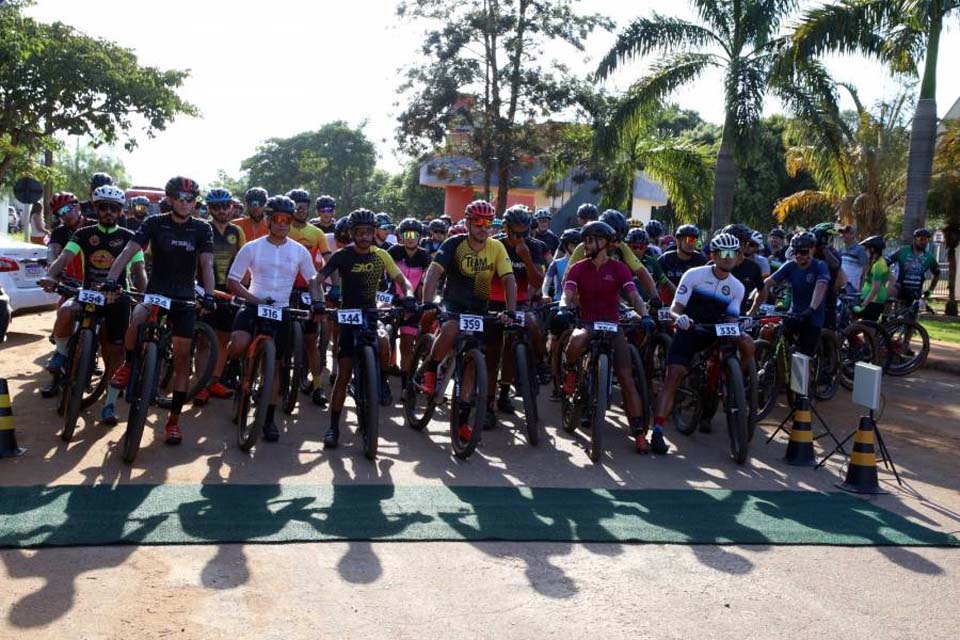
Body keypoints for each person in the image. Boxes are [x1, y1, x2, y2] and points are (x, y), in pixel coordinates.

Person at [105, 175, 216, 446]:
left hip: (184, 296)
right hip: (157, 291)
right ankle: (130, 365)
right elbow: (128, 252)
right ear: (169, 199)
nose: (185, 203)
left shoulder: (202, 228)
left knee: (181, 361)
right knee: (139, 316)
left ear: (195, 202)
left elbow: (207, 264)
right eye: (179, 197)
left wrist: (210, 295)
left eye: (190, 199)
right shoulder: (154, 222)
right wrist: (111, 278)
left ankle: (174, 421)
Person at [40, 185, 148, 425]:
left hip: (118, 299)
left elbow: (140, 271)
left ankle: (109, 404)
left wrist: (143, 295)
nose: (108, 212)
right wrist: (51, 275)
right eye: (102, 207)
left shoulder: (130, 239)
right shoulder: (83, 234)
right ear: (95, 209)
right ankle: (60, 353)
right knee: (66, 310)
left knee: (115, 353)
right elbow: (62, 259)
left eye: (113, 208)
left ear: (120, 211)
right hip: (87, 293)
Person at [226, 195, 325, 442]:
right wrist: (253, 299)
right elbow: (232, 280)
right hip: (254, 304)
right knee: (237, 344)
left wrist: (318, 302)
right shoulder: (252, 246)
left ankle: (268, 419)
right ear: (269, 220)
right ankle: (236, 374)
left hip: (281, 310)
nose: (283, 224)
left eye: (287, 220)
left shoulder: (299, 250)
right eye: (278, 219)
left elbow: (313, 281)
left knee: (278, 367)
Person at [419, 199, 517, 443]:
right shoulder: (454, 243)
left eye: (489, 223)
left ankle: (462, 422)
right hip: (454, 304)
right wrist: (428, 301)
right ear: (469, 223)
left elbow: (508, 280)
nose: (484, 228)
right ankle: (431, 369)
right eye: (479, 223)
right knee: (450, 328)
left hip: (478, 310)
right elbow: (433, 272)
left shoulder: (496, 248)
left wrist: (511, 311)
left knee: (473, 362)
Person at [318, 209, 415, 448]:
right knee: (343, 374)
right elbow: (315, 280)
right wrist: (318, 301)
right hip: (348, 315)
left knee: (383, 343)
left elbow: (402, 280)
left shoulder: (382, 255)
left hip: (371, 312)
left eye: (368, 232)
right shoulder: (342, 255)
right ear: (351, 233)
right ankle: (333, 427)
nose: (364, 237)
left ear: (374, 233)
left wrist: (410, 295)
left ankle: (379, 382)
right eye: (359, 233)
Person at [560, 221, 651, 451]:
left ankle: (639, 432)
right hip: (588, 323)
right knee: (577, 339)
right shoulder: (578, 267)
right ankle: (571, 372)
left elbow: (634, 297)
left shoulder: (620, 268)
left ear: (604, 243)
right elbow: (567, 294)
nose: (585, 245)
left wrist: (645, 315)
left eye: (590, 240)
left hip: (613, 325)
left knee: (626, 378)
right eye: (585, 240)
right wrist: (563, 306)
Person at [652, 233, 746, 454]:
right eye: (723, 253)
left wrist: (737, 329)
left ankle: (737, 386)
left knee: (745, 343)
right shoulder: (693, 275)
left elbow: (732, 318)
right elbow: (676, 308)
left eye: (733, 253)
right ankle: (657, 430)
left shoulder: (737, 287)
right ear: (713, 255)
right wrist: (679, 318)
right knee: (673, 376)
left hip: (715, 332)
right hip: (690, 329)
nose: (729, 257)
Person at [486, 205, 547, 421]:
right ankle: (488, 403)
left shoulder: (534, 246)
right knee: (493, 351)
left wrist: (527, 257)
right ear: (505, 228)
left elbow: (538, 282)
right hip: (492, 301)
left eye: (525, 233)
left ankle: (535, 369)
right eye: (515, 233)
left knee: (528, 331)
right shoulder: (494, 245)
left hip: (520, 302)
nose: (520, 237)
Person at [193, 188, 246, 406]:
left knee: (224, 340)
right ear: (210, 209)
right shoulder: (203, 229)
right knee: (204, 341)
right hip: (206, 291)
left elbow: (245, 260)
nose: (222, 210)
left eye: (226, 206)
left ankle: (214, 381)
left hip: (230, 291)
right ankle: (200, 385)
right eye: (216, 207)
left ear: (232, 207)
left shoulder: (237, 231)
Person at [285, 188, 333, 406]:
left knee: (311, 341)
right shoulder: (281, 229)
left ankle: (317, 386)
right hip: (282, 288)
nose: (301, 209)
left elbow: (330, 261)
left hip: (308, 289)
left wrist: (337, 285)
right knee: (276, 338)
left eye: (304, 206)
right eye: (297, 205)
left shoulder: (317, 233)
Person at [750, 232, 829, 357]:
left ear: (812, 250)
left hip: (812, 316)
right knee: (770, 332)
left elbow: (820, 287)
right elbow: (767, 283)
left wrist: (811, 309)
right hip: (794, 314)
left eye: (803, 252)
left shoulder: (820, 266)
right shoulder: (790, 265)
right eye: (795, 252)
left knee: (804, 358)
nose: (798, 256)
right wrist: (752, 297)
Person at [566, 209, 658, 297]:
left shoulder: (622, 246)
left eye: (620, 240)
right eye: (613, 239)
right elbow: (566, 279)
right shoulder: (583, 248)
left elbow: (642, 273)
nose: (617, 244)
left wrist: (655, 298)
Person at [388, 218, 433, 393]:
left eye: (414, 234)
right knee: (384, 340)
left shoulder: (424, 256)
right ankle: (382, 375)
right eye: (406, 234)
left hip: (412, 304)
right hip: (391, 301)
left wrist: (423, 302)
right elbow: (384, 276)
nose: (410, 238)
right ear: (400, 236)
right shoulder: (393, 251)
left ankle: (407, 384)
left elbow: (426, 281)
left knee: (407, 344)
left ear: (420, 236)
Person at [886, 228, 940, 306]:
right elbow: (884, 264)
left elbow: (937, 273)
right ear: (915, 239)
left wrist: (929, 292)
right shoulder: (903, 251)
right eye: (921, 239)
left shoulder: (929, 257)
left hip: (915, 293)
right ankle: (885, 317)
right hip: (898, 289)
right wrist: (892, 279)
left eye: (926, 240)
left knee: (909, 316)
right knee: (889, 305)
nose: (924, 242)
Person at [626, 227, 675, 302]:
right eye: (634, 247)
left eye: (641, 247)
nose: (638, 250)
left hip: (648, 306)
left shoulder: (652, 262)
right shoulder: (620, 263)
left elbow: (666, 282)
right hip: (625, 306)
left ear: (646, 247)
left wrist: (680, 299)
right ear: (628, 246)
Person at [658, 223, 707, 288]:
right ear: (678, 241)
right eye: (690, 240)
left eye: (694, 240)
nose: (692, 244)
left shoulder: (701, 261)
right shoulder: (665, 259)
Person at [853, 235, 889, 321]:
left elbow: (875, 288)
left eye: (866, 249)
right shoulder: (873, 262)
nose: (864, 251)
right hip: (868, 299)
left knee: (868, 329)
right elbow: (892, 278)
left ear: (872, 249)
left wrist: (864, 304)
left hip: (874, 301)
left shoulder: (879, 264)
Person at [839, 224, 868, 295]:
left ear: (853, 235)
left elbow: (865, 270)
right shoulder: (841, 250)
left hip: (853, 288)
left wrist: (861, 289)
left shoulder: (860, 250)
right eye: (843, 233)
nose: (843, 235)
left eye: (846, 233)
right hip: (841, 286)